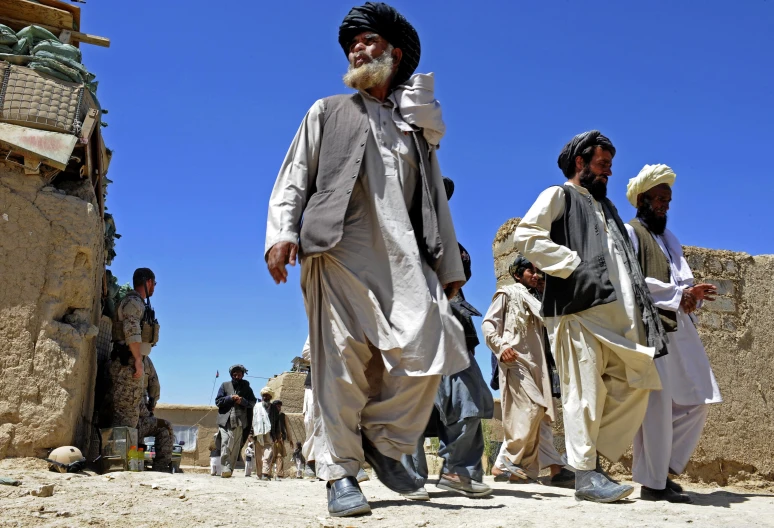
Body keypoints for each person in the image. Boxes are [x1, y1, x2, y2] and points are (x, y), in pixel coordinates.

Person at [264, 1, 469, 517]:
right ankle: (340, 474)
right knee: (340, 365)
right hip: (336, 251)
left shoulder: (415, 132)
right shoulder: (327, 110)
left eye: (369, 40)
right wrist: (281, 233)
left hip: (403, 260)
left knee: (435, 340)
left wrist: (449, 274)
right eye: (352, 43)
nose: (358, 48)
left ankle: (382, 438)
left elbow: (436, 207)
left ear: (395, 54)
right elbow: (294, 175)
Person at [514, 130, 667, 503]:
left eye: (610, 166)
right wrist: (572, 264)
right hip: (575, 310)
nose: (608, 173)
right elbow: (527, 235)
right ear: (580, 163)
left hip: (614, 317)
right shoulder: (559, 195)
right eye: (602, 165)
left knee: (638, 380)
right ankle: (586, 474)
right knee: (583, 391)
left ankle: (586, 457)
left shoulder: (609, 210)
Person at [625, 164, 723, 503]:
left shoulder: (669, 239)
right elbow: (630, 280)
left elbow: (682, 283)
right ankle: (653, 484)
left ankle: (660, 469)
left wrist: (693, 294)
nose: (665, 205)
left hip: (680, 329)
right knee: (656, 406)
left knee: (698, 399)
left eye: (668, 200)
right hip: (650, 329)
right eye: (660, 199)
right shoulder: (630, 233)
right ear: (642, 199)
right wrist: (677, 295)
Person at [401, 179, 494, 500]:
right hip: (413, 330)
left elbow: (460, 274)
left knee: (469, 400)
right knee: (411, 404)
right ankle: (409, 476)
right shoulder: (396, 235)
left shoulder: (449, 239)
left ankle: (459, 470)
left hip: (454, 326)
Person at [482, 256, 574, 488]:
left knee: (540, 416)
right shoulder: (507, 294)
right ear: (517, 274)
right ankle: (509, 461)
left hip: (538, 367)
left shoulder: (538, 301)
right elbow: (488, 324)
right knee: (533, 409)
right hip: (516, 361)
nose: (536, 275)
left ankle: (523, 471)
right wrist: (502, 347)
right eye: (530, 271)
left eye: (538, 271)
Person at [109, 268, 160, 428]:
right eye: (154, 284)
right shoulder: (133, 302)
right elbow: (131, 330)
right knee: (125, 422)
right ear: (149, 282)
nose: (154, 287)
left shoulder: (139, 303)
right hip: (127, 364)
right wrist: (138, 360)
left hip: (132, 365)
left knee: (132, 420)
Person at [215, 364, 257, 478]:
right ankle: (225, 468)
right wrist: (229, 398)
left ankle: (229, 469)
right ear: (231, 375)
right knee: (225, 443)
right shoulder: (224, 385)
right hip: (225, 421)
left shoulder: (247, 388)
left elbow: (252, 402)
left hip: (239, 421)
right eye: (235, 374)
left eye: (239, 374)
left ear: (243, 375)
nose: (237, 376)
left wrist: (242, 401)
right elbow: (218, 401)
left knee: (235, 447)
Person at [137, 355, 173, 472]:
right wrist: (151, 407)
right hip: (138, 420)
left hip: (115, 421)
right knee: (165, 427)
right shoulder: (144, 360)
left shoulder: (114, 357)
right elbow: (154, 386)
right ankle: (161, 468)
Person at [267, 400, 293, 480]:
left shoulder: (283, 416)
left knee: (279, 456)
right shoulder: (269, 415)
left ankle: (279, 474)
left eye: (280, 406)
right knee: (270, 456)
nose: (279, 408)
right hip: (271, 439)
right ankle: (267, 473)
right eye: (277, 406)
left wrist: (290, 439)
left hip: (280, 439)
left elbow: (287, 428)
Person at [254, 387, 274, 481]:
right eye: (264, 396)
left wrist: (277, 434)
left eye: (267, 396)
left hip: (269, 432)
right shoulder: (257, 406)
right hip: (257, 432)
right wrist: (251, 434)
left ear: (270, 397)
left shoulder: (273, 408)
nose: (265, 397)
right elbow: (253, 420)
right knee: (258, 455)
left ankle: (265, 473)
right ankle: (259, 474)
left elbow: (276, 421)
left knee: (268, 452)